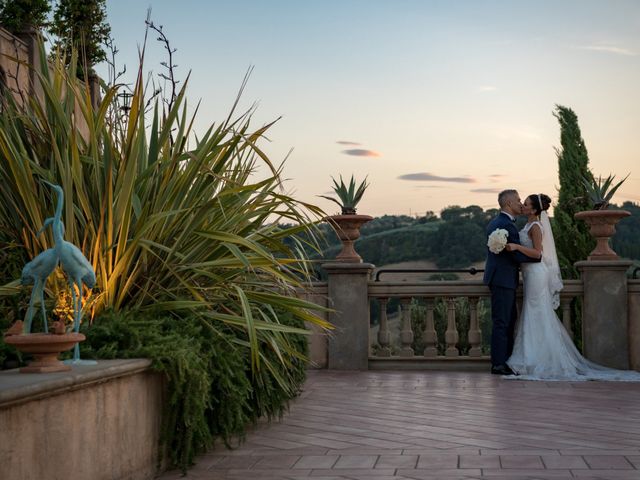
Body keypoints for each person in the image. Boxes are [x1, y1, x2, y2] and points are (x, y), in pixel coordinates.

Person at [505, 193, 640, 381]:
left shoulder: (535, 226)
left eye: (526, 204)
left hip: (536, 273)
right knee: (534, 312)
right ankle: (532, 357)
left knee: (536, 312)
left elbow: (537, 254)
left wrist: (516, 247)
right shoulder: (528, 224)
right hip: (530, 274)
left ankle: (535, 359)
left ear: (534, 209)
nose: (523, 206)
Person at [483, 190, 541, 375]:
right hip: (502, 279)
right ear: (508, 203)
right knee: (502, 322)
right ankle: (499, 364)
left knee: (508, 321)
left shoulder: (496, 222)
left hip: (503, 279)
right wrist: (538, 259)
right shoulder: (505, 225)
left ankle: (505, 360)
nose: (520, 204)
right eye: (517, 200)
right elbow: (514, 255)